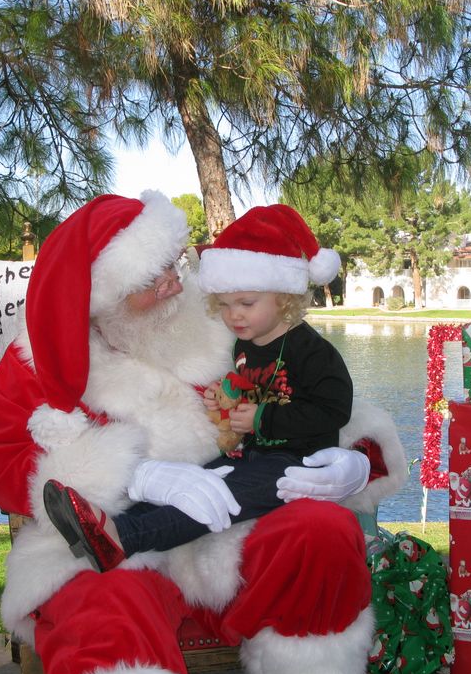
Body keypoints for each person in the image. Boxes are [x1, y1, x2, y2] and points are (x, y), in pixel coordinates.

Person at [0, 191, 407, 674]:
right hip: (116, 538)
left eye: (174, 267)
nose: (173, 285)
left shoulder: (219, 319)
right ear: (99, 297)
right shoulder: (35, 362)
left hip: (235, 522)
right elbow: (3, 463)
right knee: (101, 599)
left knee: (322, 529)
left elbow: (315, 394)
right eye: (151, 280)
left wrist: (353, 458)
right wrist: (135, 476)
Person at [41, 204, 358, 573]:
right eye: (224, 305)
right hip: (253, 455)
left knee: (220, 498)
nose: (233, 315)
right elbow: (249, 388)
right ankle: (101, 526)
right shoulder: (246, 342)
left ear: (283, 297)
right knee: (199, 482)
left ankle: (125, 537)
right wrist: (224, 398)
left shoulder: (313, 352)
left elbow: (334, 410)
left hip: (299, 466)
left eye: (246, 304)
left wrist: (265, 420)